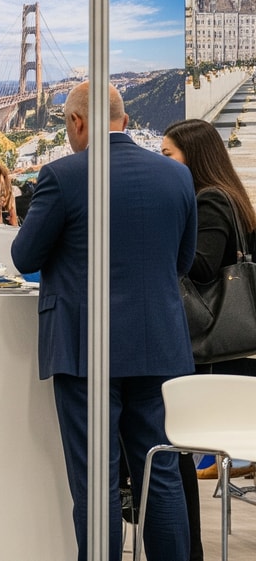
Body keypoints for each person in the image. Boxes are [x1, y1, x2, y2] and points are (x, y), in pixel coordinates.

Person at [12, 82, 194, 561]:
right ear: (126, 120)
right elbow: (183, 260)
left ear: (75, 122)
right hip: (158, 346)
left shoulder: (63, 176)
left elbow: (23, 254)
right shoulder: (176, 178)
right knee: (163, 477)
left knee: (97, 484)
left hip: (83, 348)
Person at [159, 118, 256, 561]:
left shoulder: (212, 200)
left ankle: (187, 550)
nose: (163, 164)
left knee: (176, 446)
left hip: (217, 351)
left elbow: (200, 267)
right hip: (230, 351)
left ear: (192, 158)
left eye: (168, 155)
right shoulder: (225, 197)